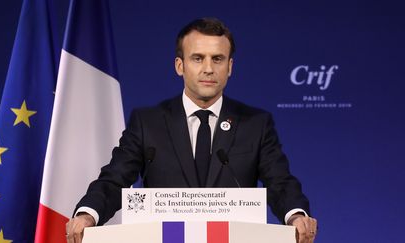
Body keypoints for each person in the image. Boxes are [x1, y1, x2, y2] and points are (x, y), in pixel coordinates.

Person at [66, 17, 317, 243]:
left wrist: (295, 214)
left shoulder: (256, 124)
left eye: (217, 59)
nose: (208, 68)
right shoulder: (148, 123)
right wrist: (88, 214)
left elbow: (280, 182)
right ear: (179, 65)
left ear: (229, 67)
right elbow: (114, 180)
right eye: (198, 58)